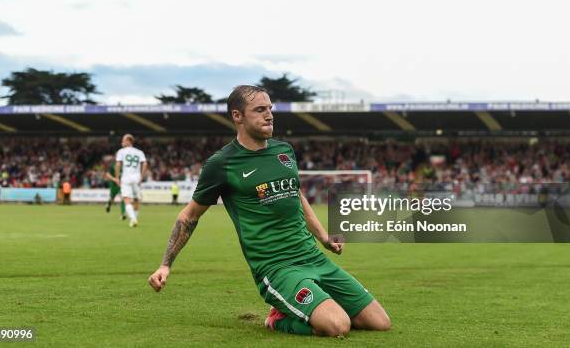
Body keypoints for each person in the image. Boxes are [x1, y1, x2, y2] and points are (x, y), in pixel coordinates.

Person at [148, 86, 390, 337]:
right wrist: (166, 265)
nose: (269, 115)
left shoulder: (283, 151)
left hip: (313, 257)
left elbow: (296, 196)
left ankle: (316, 305)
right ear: (237, 116)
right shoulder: (221, 164)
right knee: (338, 326)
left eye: (270, 109)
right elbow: (189, 216)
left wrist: (324, 238)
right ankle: (277, 319)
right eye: (260, 110)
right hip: (276, 267)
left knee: (380, 322)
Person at [115, 134, 147, 228]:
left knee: (127, 199)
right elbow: (145, 164)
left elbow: (118, 164)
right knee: (136, 200)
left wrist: (117, 177)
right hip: (136, 178)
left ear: (129, 141)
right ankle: (134, 219)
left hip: (126, 178)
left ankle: (133, 219)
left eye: (123, 140)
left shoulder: (121, 152)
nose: (122, 142)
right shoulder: (139, 152)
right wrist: (141, 176)